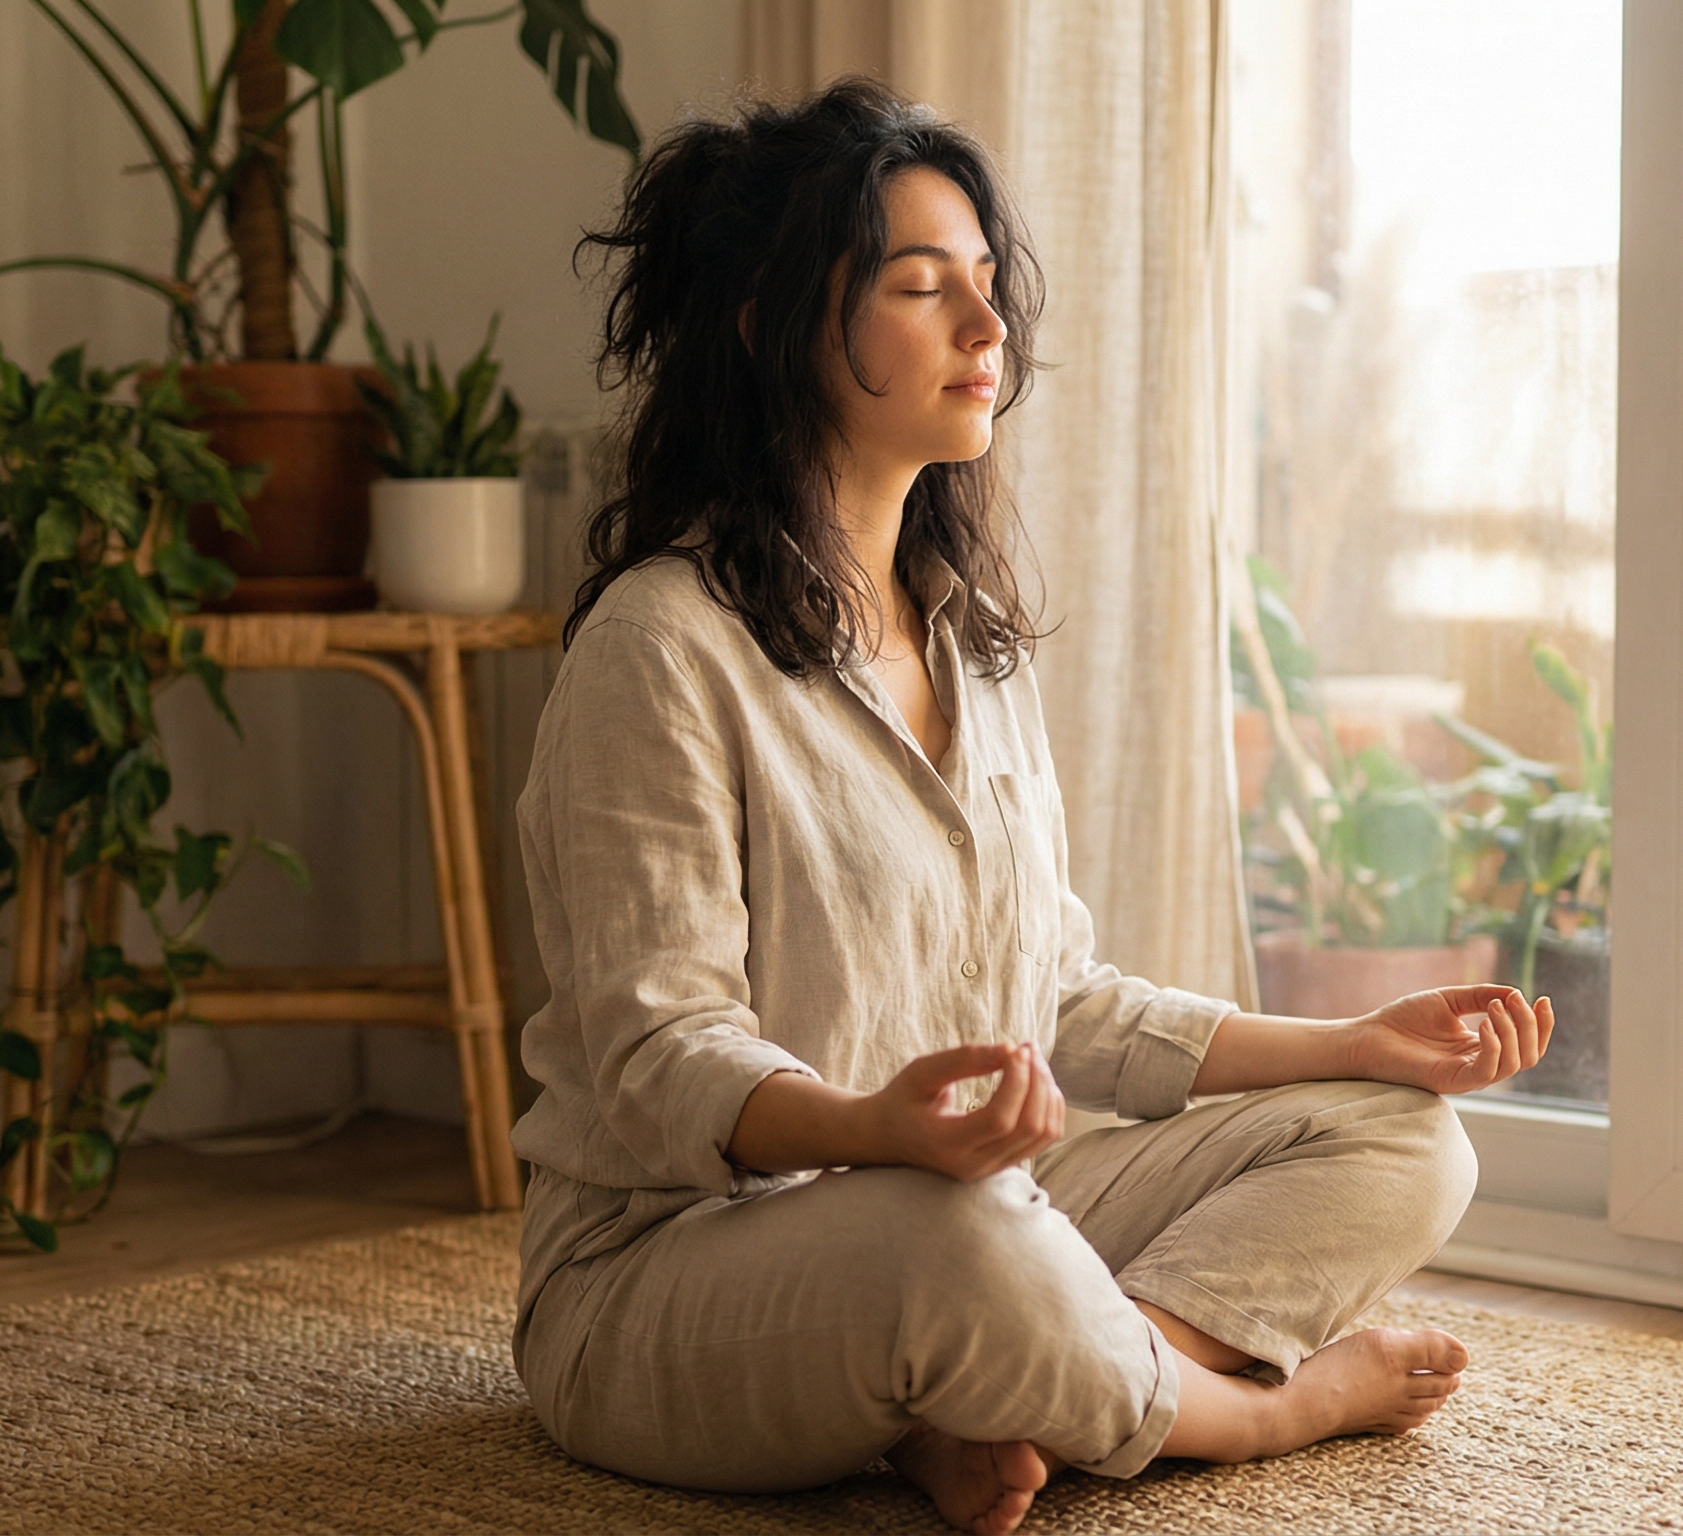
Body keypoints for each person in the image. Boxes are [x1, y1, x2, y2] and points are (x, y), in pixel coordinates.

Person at [510, 80, 1554, 1536]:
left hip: (975, 1210)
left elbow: (1059, 1001)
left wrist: (1351, 1041)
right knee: (965, 1240)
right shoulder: (660, 646)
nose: (987, 331)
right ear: (766, 327)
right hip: (676, 1269)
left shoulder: (973, 647)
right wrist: (875, 1128)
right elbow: (657, 1059)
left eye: (988, 288)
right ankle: (1249, 1407)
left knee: (1405, 1137)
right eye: (922, 289)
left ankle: (1020, 1401)